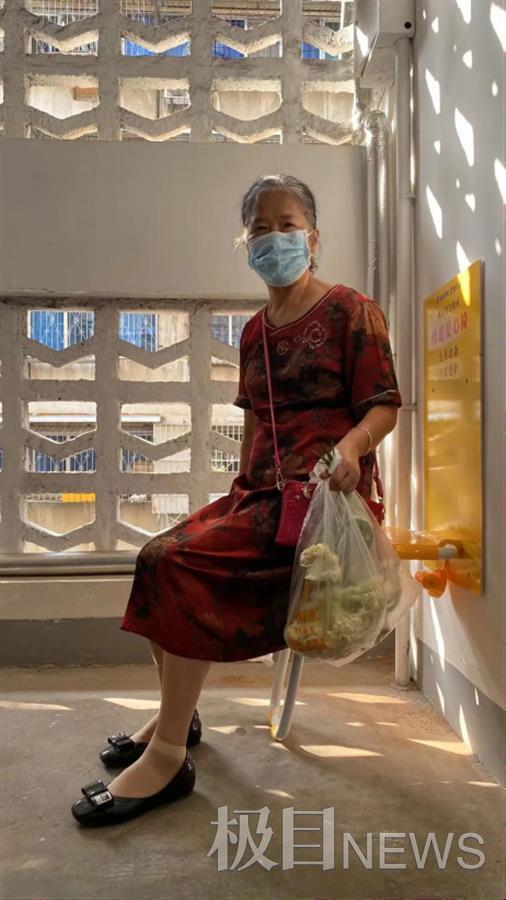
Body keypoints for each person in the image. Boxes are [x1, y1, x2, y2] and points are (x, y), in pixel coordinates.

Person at [71, 173, 402, 826]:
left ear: (313, 237)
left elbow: (384, 406)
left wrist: (353, 449)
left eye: (287, 225)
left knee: (180, 565)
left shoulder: (351, 311)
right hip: (261, 496)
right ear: (246, 243)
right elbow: (254, 422)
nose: (274, 238)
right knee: (155, 556)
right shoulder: (255, 331)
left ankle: (169, 757)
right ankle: (178, 715)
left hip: (325, 506)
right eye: (260, 229)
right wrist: (238, 495)